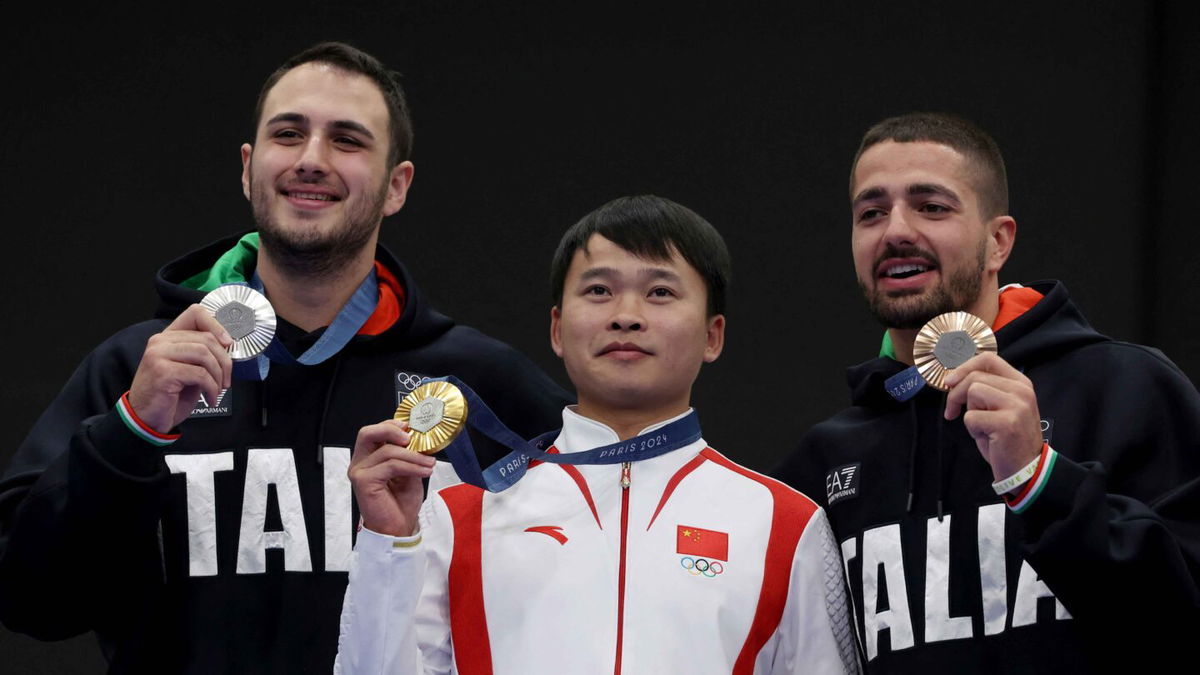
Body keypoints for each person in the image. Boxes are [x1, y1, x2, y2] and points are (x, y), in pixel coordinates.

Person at [0, 42, 570, 673]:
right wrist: (132, 430)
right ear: (248, 168)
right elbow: (29, 601)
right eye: (289, 133)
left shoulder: (473, 383)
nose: (311, 160)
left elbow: (588, 591)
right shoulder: (140, 369)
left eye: (348, 140)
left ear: (396, 186)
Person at [334, 195, 860, 674]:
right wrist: (387, 542)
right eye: (599, 291)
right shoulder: (459, 513)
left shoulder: (786, 526)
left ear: (712, 335)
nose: (626, 316)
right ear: (559, 330)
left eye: (659, 292)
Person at [772, 112, 1200, 671]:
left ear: (998, 242)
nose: (895, 230)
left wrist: (1040, 480)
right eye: (871, 213)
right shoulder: (822, 460)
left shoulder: (1127, 389)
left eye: (932, 207)